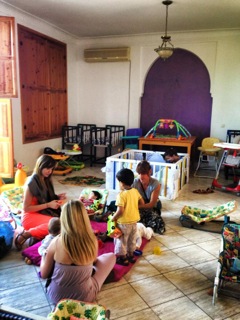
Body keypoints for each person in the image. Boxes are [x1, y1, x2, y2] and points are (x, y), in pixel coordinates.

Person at [40, 200, 116, 305]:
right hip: (84, 298)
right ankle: (85, 274)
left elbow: (44, 274)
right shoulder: (92, 240)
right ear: (84, 218)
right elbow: (94, 261)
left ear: (63, 219)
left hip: (56, 297)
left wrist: (44, 255)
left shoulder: (56, 242)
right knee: (111, 257)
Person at [15, 154, 66, 250]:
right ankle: (26, 235)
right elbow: (26, 208)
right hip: (30, 216)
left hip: (41, 213)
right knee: (57, 225)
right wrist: (48, 205)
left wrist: (56, 197)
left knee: (63, 223)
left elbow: (44, 197)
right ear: (40, 166)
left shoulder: (45, 179)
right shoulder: (31, 182)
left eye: (51, 169)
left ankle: (37, 237)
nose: (50, 171)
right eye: (47, 168)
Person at [111, 168, 145, 266]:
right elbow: (142, 203)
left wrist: (114, 218)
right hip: (134, 222)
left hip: (124, 223)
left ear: (121, 183)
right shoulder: (135, 191)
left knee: (121, 240)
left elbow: (120, 211)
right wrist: (133, 207)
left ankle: (123, 259)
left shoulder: (121, 195)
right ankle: (130, 255)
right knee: (131, 239)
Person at [132, 160, 165, 234]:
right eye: (139, 173)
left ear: (150, 172)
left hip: (152, 206)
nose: (141, 176)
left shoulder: (155, 184)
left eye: (143, 173)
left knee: (157, 222)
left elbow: (151, 204)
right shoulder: (135, 182)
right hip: (139, 206)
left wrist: (134, 207)